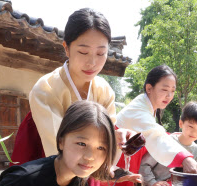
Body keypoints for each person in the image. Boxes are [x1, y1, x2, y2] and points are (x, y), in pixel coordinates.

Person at [11, 8, 133, 164]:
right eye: (83, 52)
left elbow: (106, 145)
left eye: (101, 53)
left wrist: (117, 138)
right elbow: (55, 152)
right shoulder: (47, 89)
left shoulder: (104, 91)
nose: (92, 63)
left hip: (88, 167)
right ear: (66, 48)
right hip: (48, 169)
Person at [140, 101, 197, 186]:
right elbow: (144, 165)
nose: (194, 132)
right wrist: (153, 183)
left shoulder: (196, 151)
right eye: (190, 126)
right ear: (181, 123)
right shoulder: (165, 142)